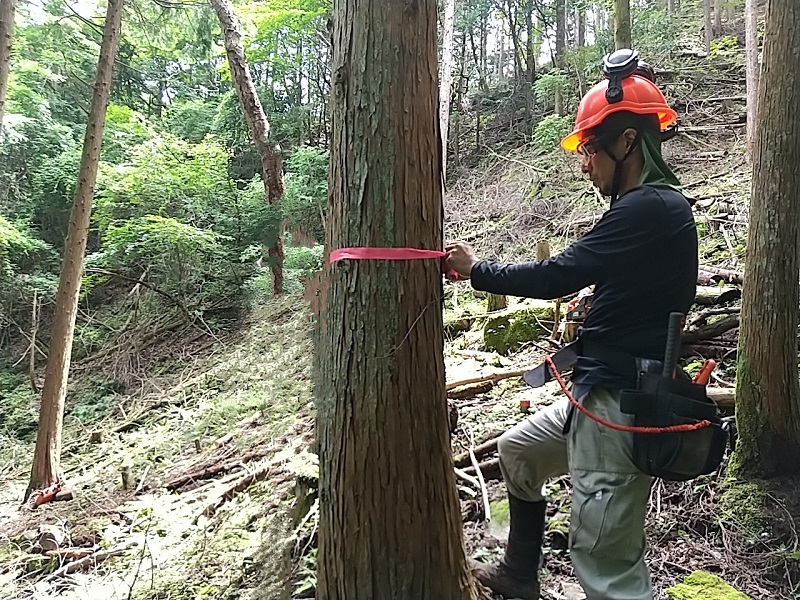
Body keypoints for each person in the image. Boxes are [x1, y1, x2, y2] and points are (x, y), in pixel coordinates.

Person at [445, 49, 698, 600]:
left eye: (589, 148)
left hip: (618, 405)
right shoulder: (646, 211)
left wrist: (476, 270)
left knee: (605, 563)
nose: (584, 162)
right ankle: (519, 575)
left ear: (627, 142)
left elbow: (562, 273)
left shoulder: (650, 208)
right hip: (599, 390)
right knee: (518, 453)